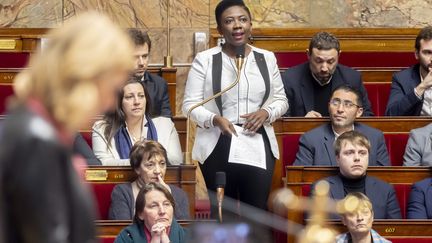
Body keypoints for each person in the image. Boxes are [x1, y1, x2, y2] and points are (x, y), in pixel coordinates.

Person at [0, 12, 134, 243]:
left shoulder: (33, 128)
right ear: (84, 78)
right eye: (112, 88)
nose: (111, 103)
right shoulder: (36, 142)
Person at [182, 0, 288, 214]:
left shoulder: (266, 59)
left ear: (250, 25)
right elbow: (189, 106)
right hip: (217, 142)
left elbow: (281, 100)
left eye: (242, 20)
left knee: (256, 213)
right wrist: (215, 120)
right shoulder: (206, 60)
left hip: (257, 141)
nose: (237, 26)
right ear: (220, 29)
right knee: (223, 212)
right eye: (229, 21)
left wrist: (266, 112)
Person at [92, 76, 183, 165]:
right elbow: (104, 163)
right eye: (129, 97)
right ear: (118, 102)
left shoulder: (165, 124)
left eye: (141, 96)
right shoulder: (101, 129)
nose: (137, 102)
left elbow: (176, 161)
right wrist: (140, 162)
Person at [282, 31, 373, 117]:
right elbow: (282, 120)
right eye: (318, 61)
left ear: (339, 56)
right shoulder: (290, 79)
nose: (324, 68)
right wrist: (303, 123)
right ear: (308, 55)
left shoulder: (352, 78)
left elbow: (366, 115)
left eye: (330, 62)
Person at [293, 85, 389, 166]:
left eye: (348, 104)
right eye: (335, 103)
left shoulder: (375, 137)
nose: (340, 109)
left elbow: (384, 177)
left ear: (359, 112)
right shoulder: (311, 139)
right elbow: (299, 178)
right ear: (328, 106)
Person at [313, 131, 401, 219]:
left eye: (362, 153)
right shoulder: (321, 189)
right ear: (337, 158)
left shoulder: (385, 190)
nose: (357, 158)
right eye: (349, 153)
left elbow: (393, 230)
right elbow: (314, 228)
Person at [109, 140, 189, 220]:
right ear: (137, 169)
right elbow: (122, 229)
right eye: (150, 165)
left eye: (162, 164)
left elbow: (184, 229)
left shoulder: (178, 194)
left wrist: (169, 197)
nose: (158, 171)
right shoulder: (122, 193)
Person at [114, 182, 187, 243]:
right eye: (154, 206)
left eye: (166, 204)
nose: (162, 211)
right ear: (140, 214)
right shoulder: (126, 238)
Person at [386, 26, 432, 116]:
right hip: (416, 129)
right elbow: (391, 115)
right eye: (427, 52)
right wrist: (421, 87)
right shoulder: (402, 79)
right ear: (416, 54)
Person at [128, 29, 172, 118]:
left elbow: (166, 119)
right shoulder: (113, 84)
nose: (141, 63)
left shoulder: (159, 84)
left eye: (144, 56)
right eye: (135, 57)